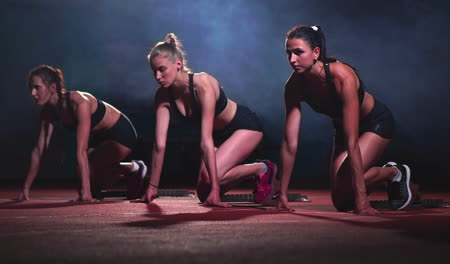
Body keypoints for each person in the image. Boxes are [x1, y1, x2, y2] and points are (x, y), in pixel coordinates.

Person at [277, 25, 413, 214]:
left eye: (298, 52)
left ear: (316, 52)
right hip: (343, 130)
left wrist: (362, 199)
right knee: (342, 202)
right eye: (288, 53)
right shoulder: (293, 87)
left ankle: (394, 173)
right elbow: (289, 143)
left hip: (374, 123)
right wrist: (282, 193)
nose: (292, 60)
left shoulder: (342, 75)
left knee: (351, 187)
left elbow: (352, 142)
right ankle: (385, 176)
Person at [136, 33, 277, 207]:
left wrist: (216, 191)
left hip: (243, 127)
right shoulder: (162, 96)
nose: (157, 76)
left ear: (178, 64)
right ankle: (231, 179)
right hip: (216, 136)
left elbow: (205, 141)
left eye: (162, 69)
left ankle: (261, 169)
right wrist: (152, 187)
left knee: (213, 182)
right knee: (204, 194)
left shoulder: (202, 85)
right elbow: (160, 145)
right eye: (154, 71)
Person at [17, 65, 147, 202]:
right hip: (100, 137)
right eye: (31, 88)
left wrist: (86, 194)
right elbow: (39, 151)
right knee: (88, 181)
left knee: (89, 181)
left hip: (121, 134)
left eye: (37, 87)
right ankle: (131, 169)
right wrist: (25, 190)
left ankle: (135, 167)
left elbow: (81, 151)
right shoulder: (48, 112)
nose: (32, 93)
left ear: (53, 88)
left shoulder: (79, 102)